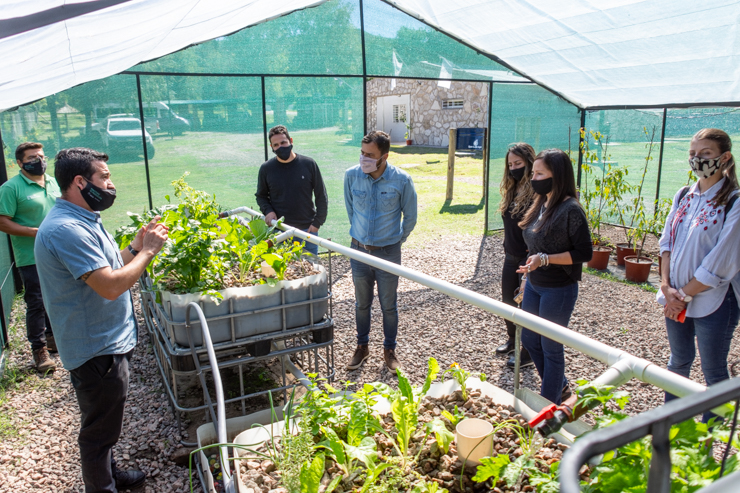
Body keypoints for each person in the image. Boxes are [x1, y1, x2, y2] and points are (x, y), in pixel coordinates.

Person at [35, 148, 168, 493]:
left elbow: (107, 267)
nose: (111, 184)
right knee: (98, 432)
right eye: (104, 177)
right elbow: (110, 286)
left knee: (105, 421)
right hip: (97, 350)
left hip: (104, 342)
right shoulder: (67, 229)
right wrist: (151, 252)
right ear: (80, 182)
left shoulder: (81, 218)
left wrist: (136, 248)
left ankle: (109, 474)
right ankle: (102, 486)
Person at [657, 128, 740, 422]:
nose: (698, 159)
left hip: (713, 302)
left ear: (725, 157)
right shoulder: (684, 195)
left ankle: (706, 442)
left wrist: (685, 294)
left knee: (713, 370)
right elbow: (667, 242)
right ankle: (670, 427)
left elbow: (722, 261)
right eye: (693, 154)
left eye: (705, 153)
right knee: (678, 361)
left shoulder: (733, 202)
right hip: (676, 297)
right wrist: (667, 287)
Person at [516, 149, 592, 405]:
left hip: (558, 289)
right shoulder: (542, 202)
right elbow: (535, 246)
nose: (533, 178)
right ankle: (559, 387)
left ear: (557, 175)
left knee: (551, 346)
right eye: (533, 172)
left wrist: (546, 260)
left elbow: (584, 253)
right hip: (535, 284)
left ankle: (548, 405)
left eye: (539, 173)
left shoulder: (571, 209)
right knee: (529, 339)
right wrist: (527, 276)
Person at [344, 130, 417, 371]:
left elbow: (410, 216)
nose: (363, 158)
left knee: (389, 305)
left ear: (384, 156)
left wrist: (396, 240)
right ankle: (362, 347)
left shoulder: (401, 180)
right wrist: (361, 238)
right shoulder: (352, 176)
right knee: (361, 304)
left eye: (370, 155)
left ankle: (389, 350)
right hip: (359, 252)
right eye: (362, 153)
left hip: (388, 252)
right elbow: (351, 210)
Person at [0, 142, 61, 372]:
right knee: (36, 300)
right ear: (20, 162)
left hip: (57, 251)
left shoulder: (53, 182)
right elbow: (2, 221)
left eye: (42, 156)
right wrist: (35, 233)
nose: (40, 161)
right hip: (30, 255)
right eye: (33, 158)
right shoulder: (11, 188)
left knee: (56, 294)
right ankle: (40, 350)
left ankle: (53, 337)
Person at [256, 125, 328, 256]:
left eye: (283, 142)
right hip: (279, 232)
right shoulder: (266, 168)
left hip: (307, 231)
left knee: (310, 270)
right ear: (271, 147)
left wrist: (317, 223)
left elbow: (321, 195)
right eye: (276, 145)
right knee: (282, 272)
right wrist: (268, 211)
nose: (280, 147)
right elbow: (261, 196)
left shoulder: (309, 164)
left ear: (291, 141)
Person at [496, 143, 536, 370]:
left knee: (526, 306)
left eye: (518, 164)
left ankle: (527, 350)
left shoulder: (537, 192)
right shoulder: (512, 189)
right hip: (510, 255)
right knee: (507, 303)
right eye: (510, 164)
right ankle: (513, 340)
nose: (513, 168)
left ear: (530, 163)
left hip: (527, 257)